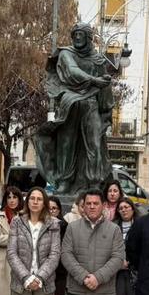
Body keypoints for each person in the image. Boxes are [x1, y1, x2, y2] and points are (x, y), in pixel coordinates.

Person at [35, 23, 119, 195]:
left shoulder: (97, 59)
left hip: (91, 104)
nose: (77, 38)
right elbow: (73, 72)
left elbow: (105, 86)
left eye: (81, 35)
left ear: (89, 38)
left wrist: (106, 107)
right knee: (66, 144)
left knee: (95, 144)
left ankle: (94, 182)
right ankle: (65, 181)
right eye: (75, 35)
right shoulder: (66, 53)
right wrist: (94, 80)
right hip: (70, 103)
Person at [112, 198, 142, 295]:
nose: (123, 210)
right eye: (121, 208)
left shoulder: (140, 225)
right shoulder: (113, 226)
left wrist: (130, 262)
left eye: (126, 207)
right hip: (117, 273)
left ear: (132, 209)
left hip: (134, 272)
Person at [44, 195, 69, 295]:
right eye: (49, 208)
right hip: (42, 272)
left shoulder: (64, 226)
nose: (52, 211)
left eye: (55, 208)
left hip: (58, 273)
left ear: (59, 210)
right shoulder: (40, 224)